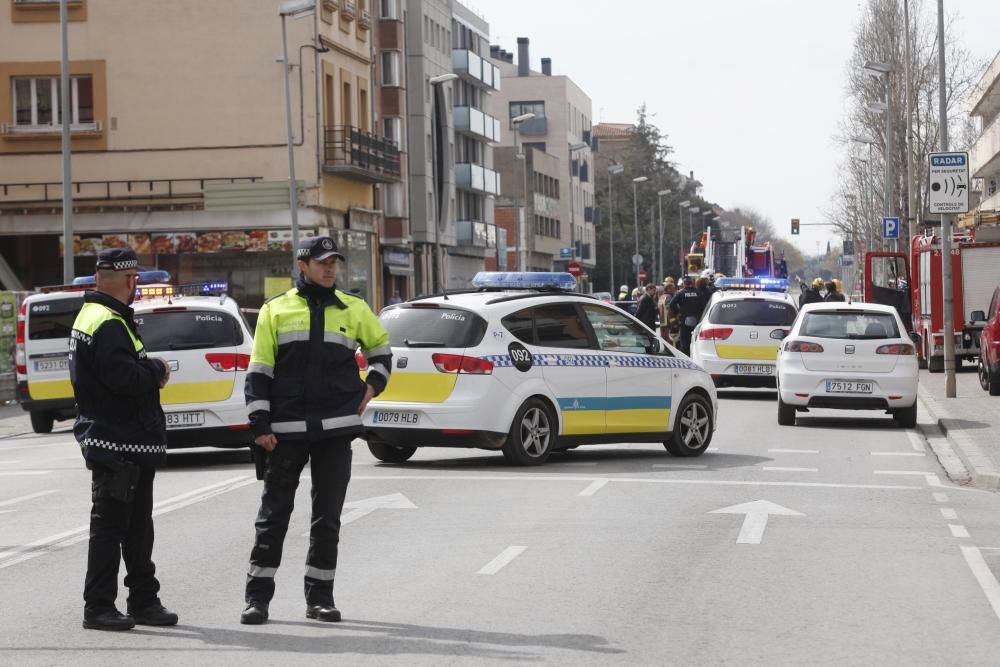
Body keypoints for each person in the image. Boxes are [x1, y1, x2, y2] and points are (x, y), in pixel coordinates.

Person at [242, 236, 393, 626]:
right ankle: (257, 599)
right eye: (323, 262)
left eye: (334, 263)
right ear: (302, 264)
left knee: (327, 519)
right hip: (285, 432)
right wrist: (259, 425)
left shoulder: (354, 308)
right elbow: (259, 371)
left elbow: (382, 353)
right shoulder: (275, 311)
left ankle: (320, 599)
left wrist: (372, 387)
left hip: (336, 431)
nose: (330, 269)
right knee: (273, 518)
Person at [69, 248, 177, 632]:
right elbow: (123, 378)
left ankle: (143, 599)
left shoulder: (97, 316)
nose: (135, 286)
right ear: (130, 280)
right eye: (135, 281)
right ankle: (99, 606)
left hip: (122, 441)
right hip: (118, 442)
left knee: (135, 528)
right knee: (113, 529)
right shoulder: (108, 322)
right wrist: (156, 369)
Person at [669, 277, 705, 355]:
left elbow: (671, 305)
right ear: (692, 283)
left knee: (684, 342)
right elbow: (704, 306)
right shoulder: (699, 293)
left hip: (684, 321)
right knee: (696, 340)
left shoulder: (680, 293)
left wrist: (677, 313)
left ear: (684, 284)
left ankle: (685, 359)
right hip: (697, 322)